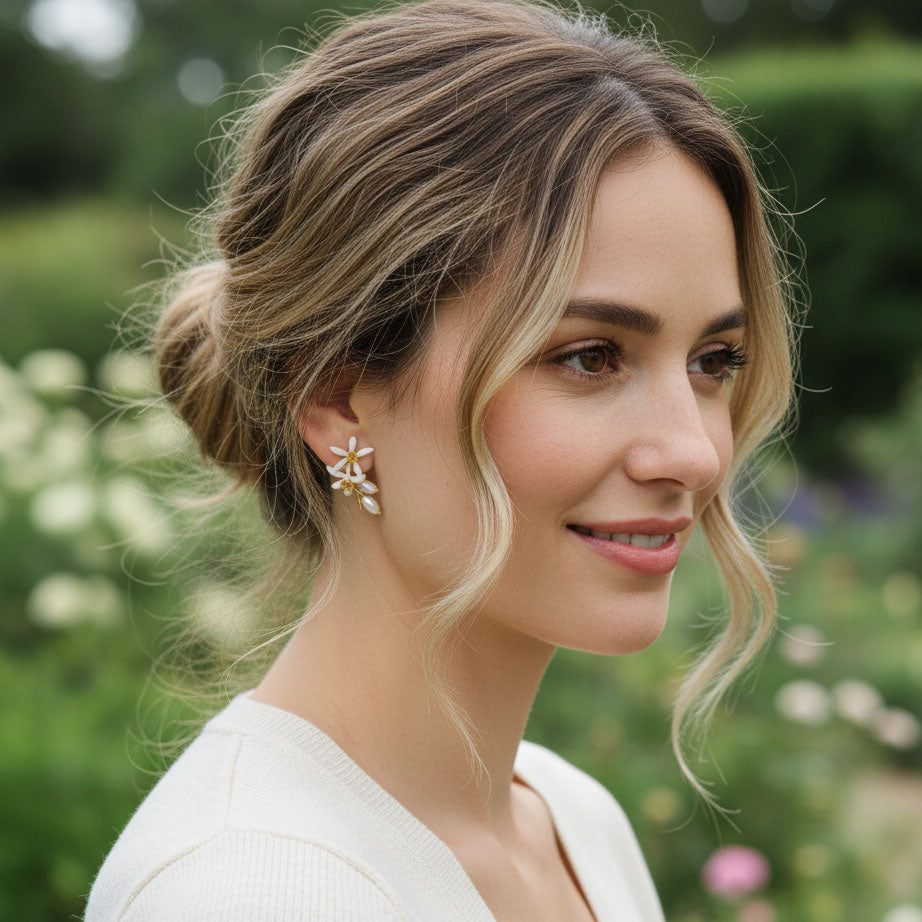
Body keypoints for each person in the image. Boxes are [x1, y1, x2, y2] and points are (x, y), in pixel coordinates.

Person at [85, 0, 796, 918]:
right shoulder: (254, 889)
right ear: (337, 400)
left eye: (713, 363)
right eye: (589, 357)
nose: (695, 453)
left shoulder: (573, 823)